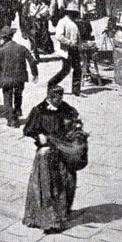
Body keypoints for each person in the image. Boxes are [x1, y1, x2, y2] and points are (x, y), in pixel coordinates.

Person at [22, 85, 82, 233]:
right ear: (49, 97)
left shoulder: (65, 107)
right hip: (46, 153)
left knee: (64, 184)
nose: (59, 101)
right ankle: (46, 220)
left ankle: (61, 215)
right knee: (46, 187)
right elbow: (28, 130)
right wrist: (38, 136)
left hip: (61, 152)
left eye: (60, 98)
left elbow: (74, 118)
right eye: (56, 98)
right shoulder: (39, 110)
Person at [0, 27, 38, 127]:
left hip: (6, 79)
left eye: (1, 38)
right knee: (18, 97)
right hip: (20, 79)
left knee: (7, 99)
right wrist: (35, 74)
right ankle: (16, 117)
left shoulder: (1, 51)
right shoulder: (22, 48)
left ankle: (10, 119)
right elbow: (32, 61)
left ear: (4, 38)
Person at [49, 4, 82, 97]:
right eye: (74, 13)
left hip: (74, 49)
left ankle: (76, 89)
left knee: (77, 69)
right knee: (66, 70)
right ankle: (51, 84)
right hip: (67, 49)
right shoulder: (62, 22)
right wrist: (69, 43)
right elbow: (59, 36)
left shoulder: (73, 22)